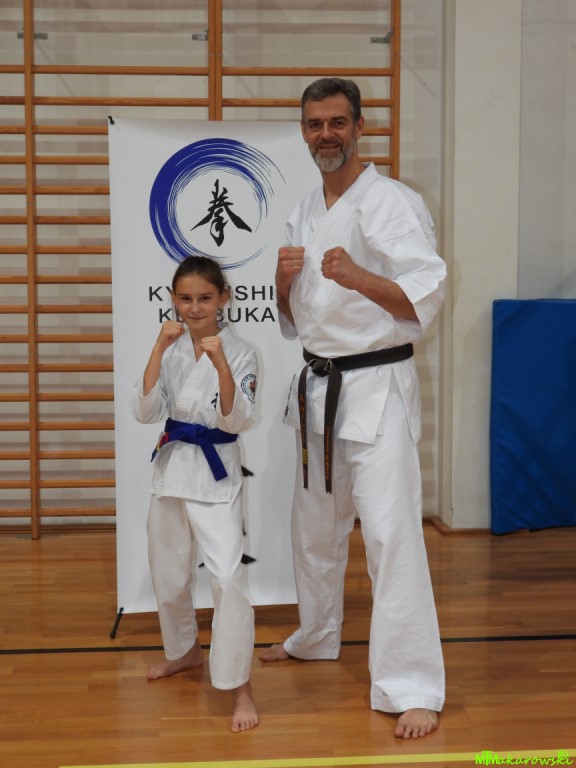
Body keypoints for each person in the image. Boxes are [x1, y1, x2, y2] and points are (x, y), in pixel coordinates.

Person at [259, 78, 446, 740]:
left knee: (392, 537)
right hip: (319, 388)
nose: (326, 134)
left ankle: (412, 685)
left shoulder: (392, 202)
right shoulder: (305, 208)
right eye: (315, 124)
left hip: (377, 388)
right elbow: (294, 319)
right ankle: (316, 635)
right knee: (313, 528)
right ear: (304, 132)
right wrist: (282, 285)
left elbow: (426, 294)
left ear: (360, 127)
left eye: (338, 122)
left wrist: (358, 277)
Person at [131, 255, 259, 733]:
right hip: (171, 470)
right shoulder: (170, 349)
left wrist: (221, 363)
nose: (194, 307)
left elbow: (237, 419)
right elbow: (145, 412)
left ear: (223, 298)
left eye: (205, 298)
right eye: (185, 298)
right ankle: (185, 651)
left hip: (215, 475)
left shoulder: (242, 351)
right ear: (173, 299)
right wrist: (157, 348)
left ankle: (240, 686)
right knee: (168, 573)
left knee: (227, 580)